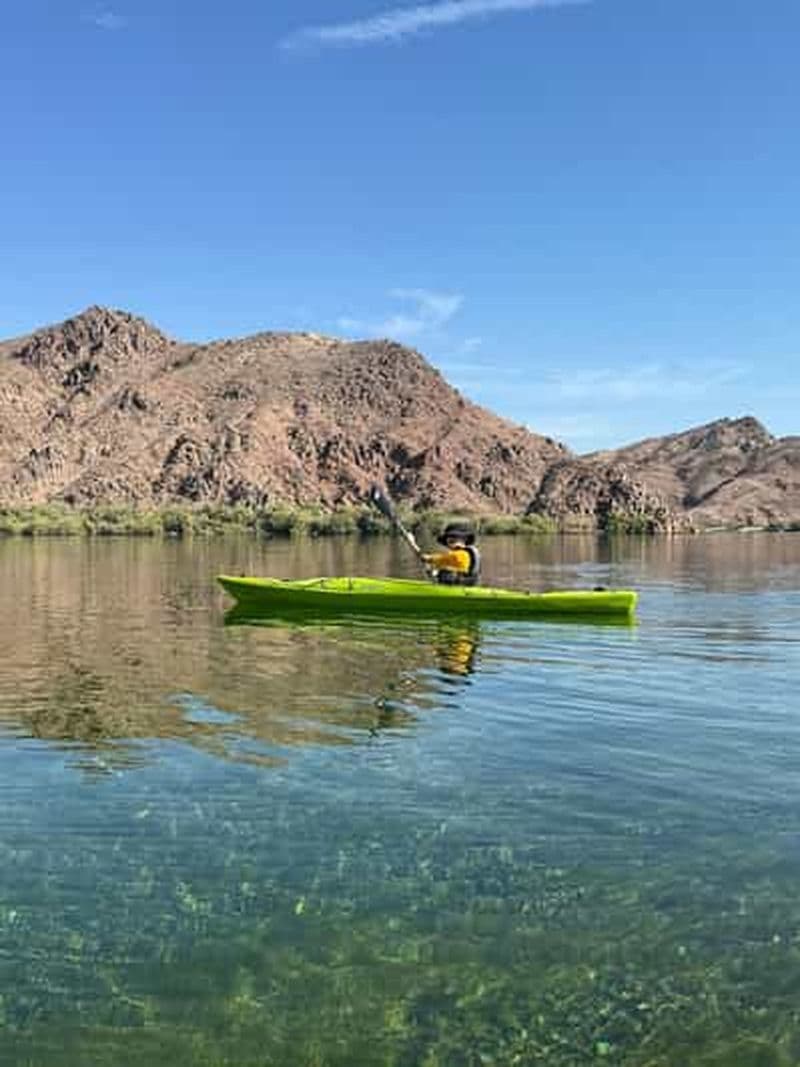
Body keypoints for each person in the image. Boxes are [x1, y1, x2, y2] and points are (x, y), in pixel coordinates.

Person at [422, 522, 481, 586]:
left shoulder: (461, 554)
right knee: (442, 570)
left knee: (444, 571)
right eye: (449, 537)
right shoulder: (457, 553)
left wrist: (428, 558)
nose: (451, 539)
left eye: (455, 537)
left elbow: (442, 558)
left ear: (465, 539)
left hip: (460, 585)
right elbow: (444, 560)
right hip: (463, 583)